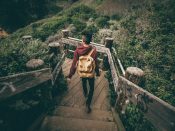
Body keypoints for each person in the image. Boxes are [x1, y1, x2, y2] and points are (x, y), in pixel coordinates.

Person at [67, 32, 100, 113]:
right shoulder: (94, 50)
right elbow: (95, 63)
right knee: (92, 88)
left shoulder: (77, 50)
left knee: (84, 82)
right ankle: (88, 104)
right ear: (90, 40)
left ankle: (85, 95)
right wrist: (98, 73)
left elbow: (74, 64)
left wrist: (70, 75)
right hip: (90, 73)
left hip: (82, 72)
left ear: (83, 40)